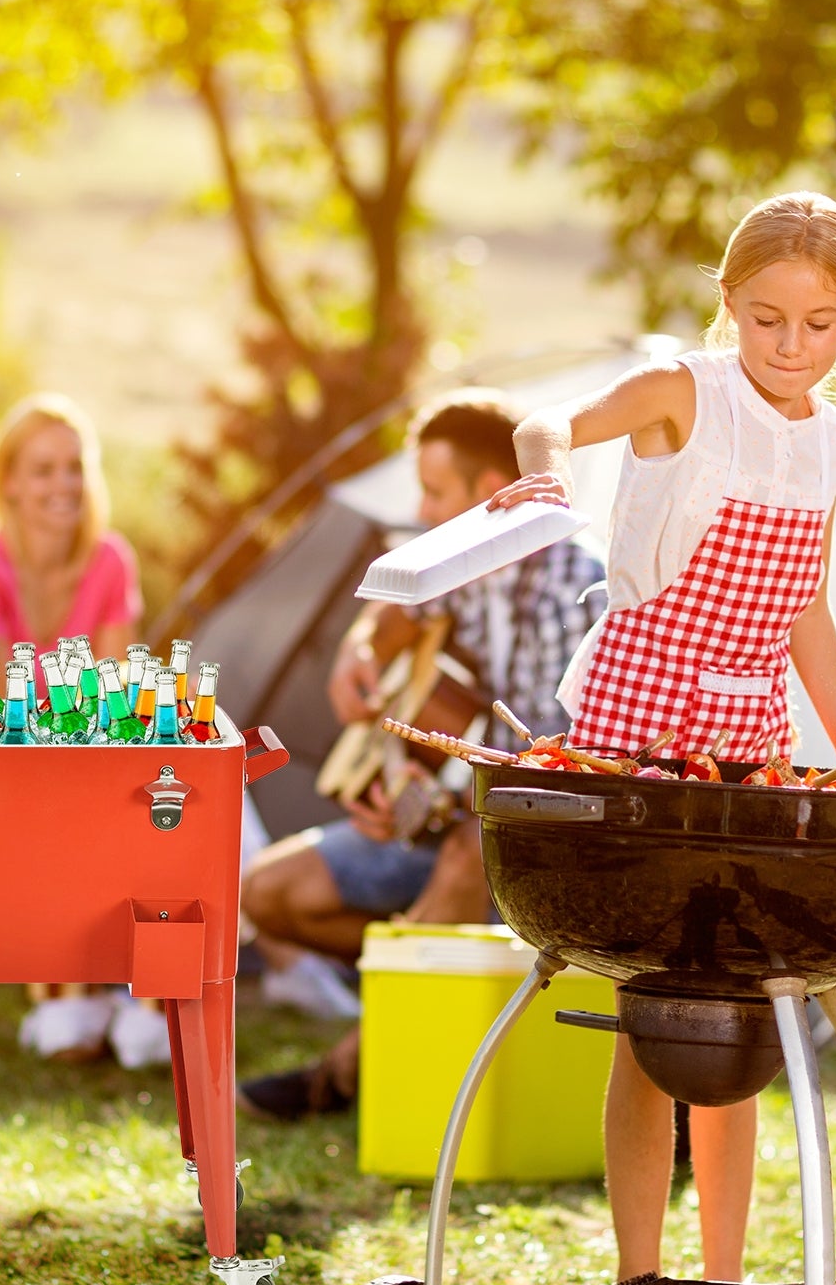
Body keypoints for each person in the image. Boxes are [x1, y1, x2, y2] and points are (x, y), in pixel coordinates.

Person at [488, 191, 836, 1285]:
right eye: (764, 320)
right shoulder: (682, 392)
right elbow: (545, 418)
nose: (788, 347)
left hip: (745, 742)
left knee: (738, 1013)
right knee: (649, 1018)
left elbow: (799, 601)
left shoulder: (831, 439)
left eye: (816, 324)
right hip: (636, 729)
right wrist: (547, 475)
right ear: (727, 306)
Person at [238, 389, 607, 1118]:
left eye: (435, 491)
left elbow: (551, 763)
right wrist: (360, 651)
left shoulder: (577, 584)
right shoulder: (461, 558)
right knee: (267, 892)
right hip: (459, 816)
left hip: (534, 838)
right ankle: (427, 969)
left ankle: (344, 1072)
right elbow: (397, 612)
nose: (423, 507)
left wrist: (435, 794)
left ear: (490, 493)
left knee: (467, 856)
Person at [0, 392, 158, 1064]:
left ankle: (136, 990)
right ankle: (62, 989)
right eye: (44, 470)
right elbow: (3, 722)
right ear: (10, 485)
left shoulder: (110, 561)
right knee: (57, 794)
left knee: (153, 781)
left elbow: (113, 699)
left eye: (74, 468)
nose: (63, 485)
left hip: (62, 757)